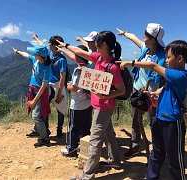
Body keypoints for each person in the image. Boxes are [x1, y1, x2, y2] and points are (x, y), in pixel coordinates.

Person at [118, 40, 187, 180]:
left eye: (169, 57)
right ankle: (151, 177)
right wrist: (155, 93)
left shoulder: (180, 75)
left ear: (180, 58)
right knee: (156, 152)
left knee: (175, 158)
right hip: (159, 117)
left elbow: (152, 65)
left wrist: (130, 63)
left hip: (173, 122)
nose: (166, 60)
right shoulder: (173, 75)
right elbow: (166, 88)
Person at [56, 31, 125, 179]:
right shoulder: (98, 58)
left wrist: (106, 95)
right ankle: (116, 160)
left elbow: (121, 90)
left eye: (97, 44)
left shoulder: (112, 67)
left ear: (104, 45)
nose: (94, 47)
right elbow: (80, 52)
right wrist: (65, 46)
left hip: (104, 107)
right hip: (97, 105)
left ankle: (87, 175)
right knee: (108, 133)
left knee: (95, 140)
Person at [117, 23, 166, 156]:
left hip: (152, 95)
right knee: (135, 119)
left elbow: (158, 71)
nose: (143, 37)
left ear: (153, 38)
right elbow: (134, 38)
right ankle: (135, 144)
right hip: (137, 90)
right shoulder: (145, 48)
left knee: (154, 122)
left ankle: (157, 150)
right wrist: (125, 33)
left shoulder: (164, 57)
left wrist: (130, 62)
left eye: (146, 35)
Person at [13, 46, 51, 147]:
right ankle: (40, 130)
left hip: (40, 92)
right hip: (33, 89)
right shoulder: (35, 59)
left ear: (41, 56)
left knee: (36, 116)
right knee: (37, 114)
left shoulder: (46, 67)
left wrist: (34, 100)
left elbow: (44, 86)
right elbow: (26, 55)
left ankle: (45, 138)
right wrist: (17, 51)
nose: (34, 55)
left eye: (36, 53)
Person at [58, 45, 92, 157]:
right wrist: (63, 50)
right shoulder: (89, 67)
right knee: (86, 127)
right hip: (87, 103)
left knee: (73, 127)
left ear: (78, 57)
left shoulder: (78, 70)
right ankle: (85, 150)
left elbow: (75, 87)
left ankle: (71, 149)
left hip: (77, 103)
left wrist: (68, 86)